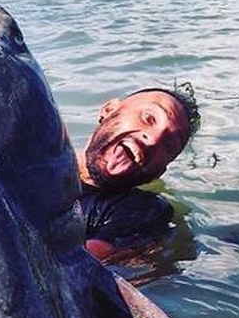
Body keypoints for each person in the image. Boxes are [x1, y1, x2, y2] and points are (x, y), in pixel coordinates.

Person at [76, 84, 200, 259]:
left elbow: (78, 263)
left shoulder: (145, 212)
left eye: (169, 144)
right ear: (109, 110)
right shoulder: (33, 157)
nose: (152, 140)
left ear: (158, 173)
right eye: (148, 118)